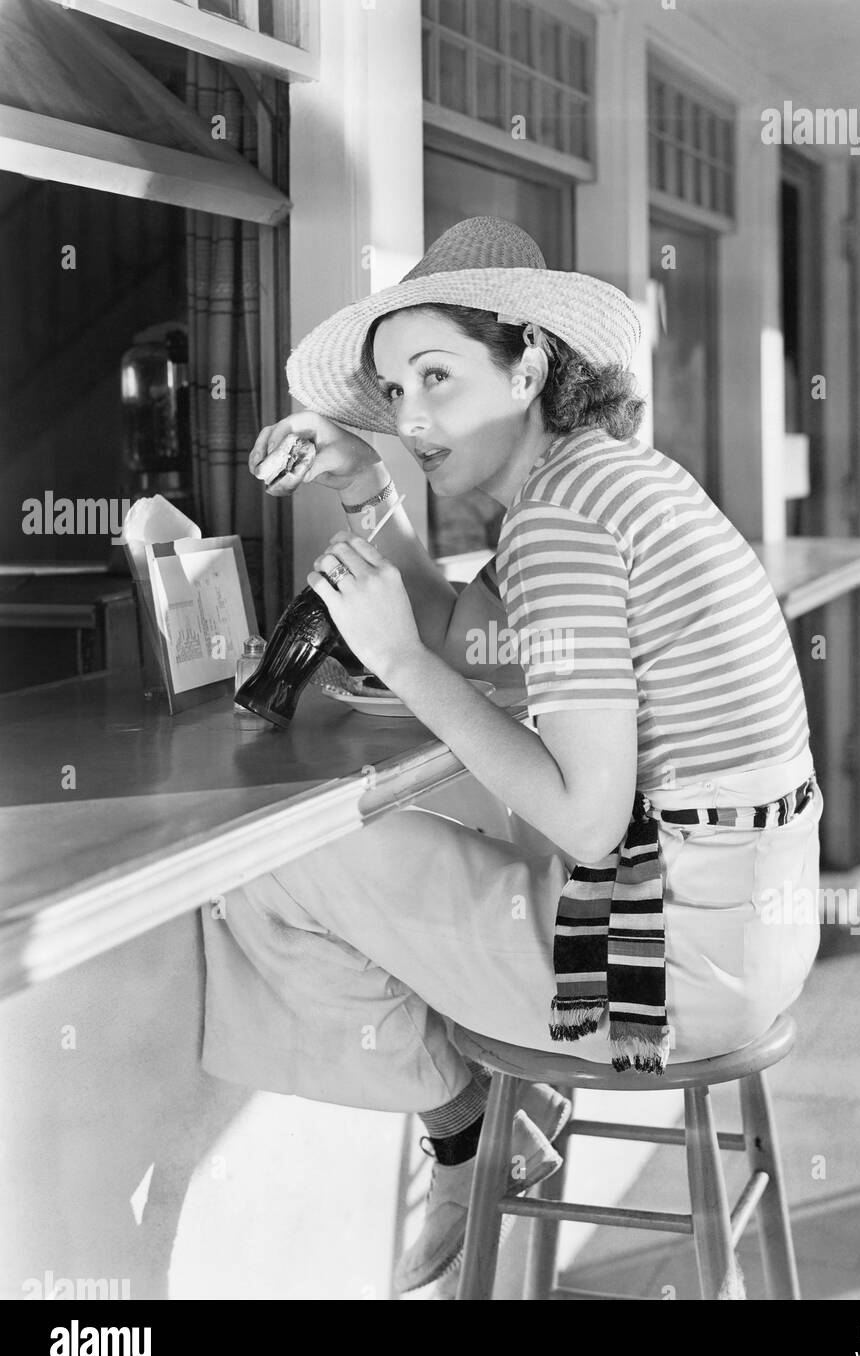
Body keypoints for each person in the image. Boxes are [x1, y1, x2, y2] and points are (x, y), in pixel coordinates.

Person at [201, 217, 823, 1295]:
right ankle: (489, 1110)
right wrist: (365, 482)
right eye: (392, 392)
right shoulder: (598, 481)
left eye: (437, 376)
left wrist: (397, 661)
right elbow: (468, 636)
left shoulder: (559, 524)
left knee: (262, 863)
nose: (412, 417)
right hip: (748, 925)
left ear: (530, 364)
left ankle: (468, 1124)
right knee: (372, 859)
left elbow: (584, 816)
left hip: (666, 967)